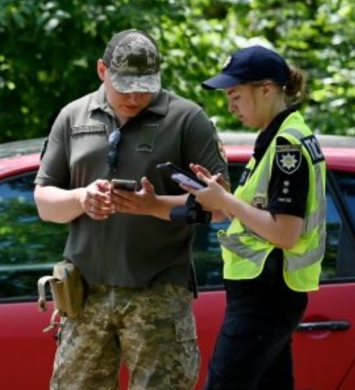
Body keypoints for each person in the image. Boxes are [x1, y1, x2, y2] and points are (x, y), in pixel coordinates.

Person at [33, 29, 229, 390]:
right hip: (84, 293)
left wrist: (153, 207)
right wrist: (81, 199)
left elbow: (221, 209)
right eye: (125, 85)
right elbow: (44, 203)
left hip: (158, 294)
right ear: (102, 70)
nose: (136, 95)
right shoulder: (73, 117)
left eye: (145, 85)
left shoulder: (186, 119)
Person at [184, 45, 326, 390]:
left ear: (266, 89)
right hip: (267, 294)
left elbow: (285, 233)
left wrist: (226, 201)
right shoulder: (275, 139)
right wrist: (219, 197)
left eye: (235, 95)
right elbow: (249, 213)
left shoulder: (286, 146)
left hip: (266, 297)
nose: (230, 105)